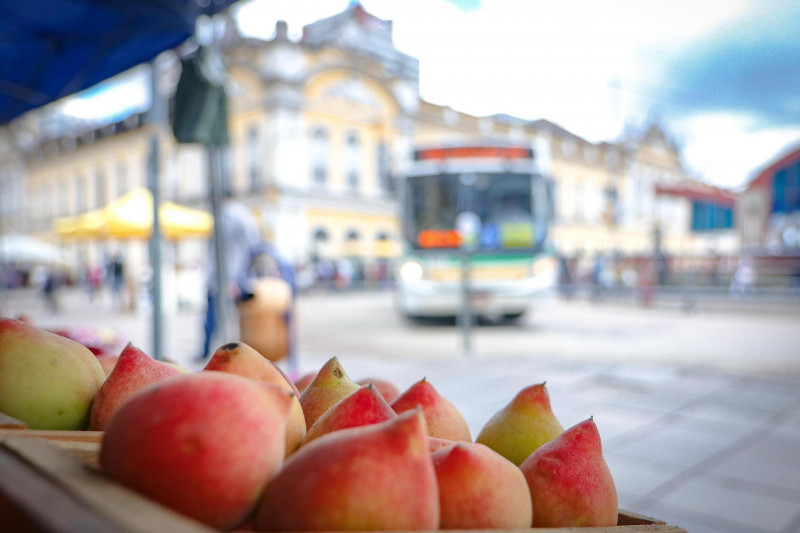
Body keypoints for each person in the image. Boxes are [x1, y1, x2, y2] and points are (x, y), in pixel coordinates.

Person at [198, 190, 260, 361]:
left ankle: (220, 353)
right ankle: (231, 354)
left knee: (217, 318)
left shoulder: (229, 215)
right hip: (227, 277)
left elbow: (238, 250)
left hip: (225, 278)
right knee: (225, 318)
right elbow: (251, 246)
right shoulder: (242, 215)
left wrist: (235, 279)